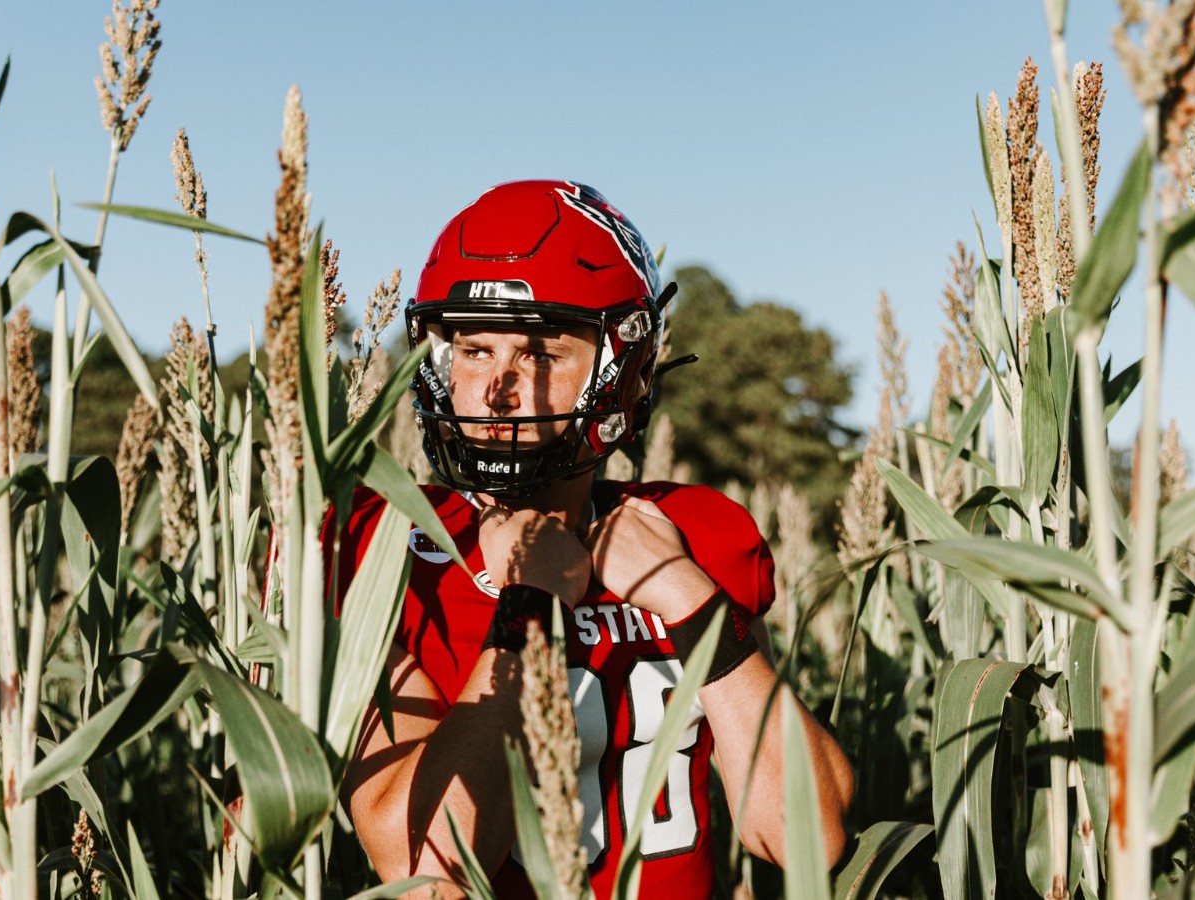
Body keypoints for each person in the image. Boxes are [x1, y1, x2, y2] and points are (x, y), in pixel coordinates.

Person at [334, 180, 854, 898]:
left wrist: (687, 596)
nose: (498, 388)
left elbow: (806, 836)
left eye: (544, 354)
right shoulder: (382, 545)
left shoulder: (693, 533)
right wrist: (529, 608)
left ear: (625, 369)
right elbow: (428, 871)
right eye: (475, 350)